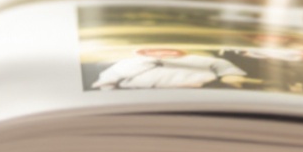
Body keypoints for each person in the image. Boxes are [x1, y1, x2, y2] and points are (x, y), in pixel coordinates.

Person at [91, 45, 246, 90]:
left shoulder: (198, 59)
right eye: (154, 51)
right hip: (137, 93)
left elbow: (223, 66)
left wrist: (230, 76)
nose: (161, 53)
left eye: (167, 51)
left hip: (197, 90)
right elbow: (108, 79)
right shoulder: (126, 63)